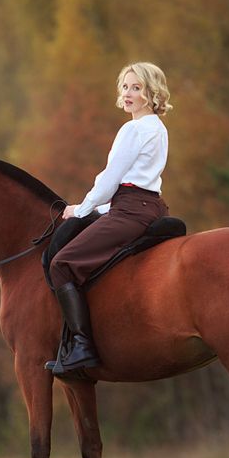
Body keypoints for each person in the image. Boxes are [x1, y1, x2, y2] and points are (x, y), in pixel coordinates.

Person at [46, 62, 172, 374]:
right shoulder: (159, 128)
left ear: (151, 93)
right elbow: (136, 181)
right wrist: (99, 209)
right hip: (149, 205)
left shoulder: (133, 129)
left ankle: (81, 345)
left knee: (61, 264)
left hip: (129, 209)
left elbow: (110, 180)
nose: (128, 94)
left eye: (137, 88)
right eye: (126, 87)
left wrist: (82, 209)